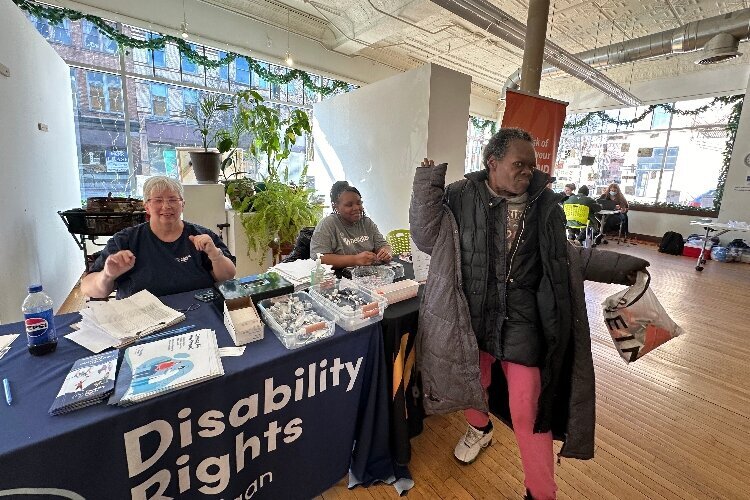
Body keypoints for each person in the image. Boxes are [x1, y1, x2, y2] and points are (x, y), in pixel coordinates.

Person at [409, 128, 649, 500]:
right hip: (469, 315)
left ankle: (541, 493)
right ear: (493, 164)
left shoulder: (545, 205)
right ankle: (480, 428)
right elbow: (426, 238)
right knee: (474, 382)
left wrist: (623, 268)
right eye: (518, 165)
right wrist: (426, 184)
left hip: (523, 320)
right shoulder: (460, 195)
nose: (526, 172)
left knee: (528, 408)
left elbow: (569, 256)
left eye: (531, 165)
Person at [81, 176, 236, 299]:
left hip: (198, 310)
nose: (166, 206)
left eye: (173, 199)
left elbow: (228, 276)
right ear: (146, 206)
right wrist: (107, 275)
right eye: (158, 200)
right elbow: (88, 288)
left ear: (183, 204)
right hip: (142, 319)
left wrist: (215, 255)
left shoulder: (201, 236)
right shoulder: (126, 240)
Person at [310, 180, 392, 267]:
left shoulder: (367, 222)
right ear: (336, 207)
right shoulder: (328, 224)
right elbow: (318, 257)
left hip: (370, 275)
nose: (356, 208)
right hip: (341, 277)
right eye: (349, 205)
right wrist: (355, 259)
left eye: (359, 203)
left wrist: (386, 252)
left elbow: (383, 245)